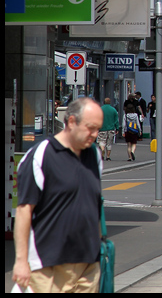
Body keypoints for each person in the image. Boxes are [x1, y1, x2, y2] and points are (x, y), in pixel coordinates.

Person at [12, 97, 104, 292]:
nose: (95, 134)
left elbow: (94, 205)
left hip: (88, 265)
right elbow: (24, 210)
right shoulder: (42, 155)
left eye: (98, 129)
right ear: (71, 122)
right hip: (48, 266)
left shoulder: (94, 156)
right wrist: (21, 261)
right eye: (90, 128)